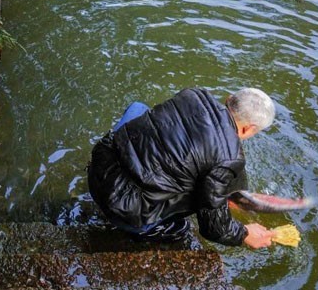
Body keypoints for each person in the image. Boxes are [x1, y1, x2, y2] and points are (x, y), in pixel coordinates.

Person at [87, 87, 277, 248]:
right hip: (120, 207)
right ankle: (146, 232)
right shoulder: (229, 158)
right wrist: (244, 233)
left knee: (139, 108)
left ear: (229, 99)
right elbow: (214, 228)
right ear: (249, 129)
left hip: (100, 165)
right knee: (201, 196)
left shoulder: (194, 94)